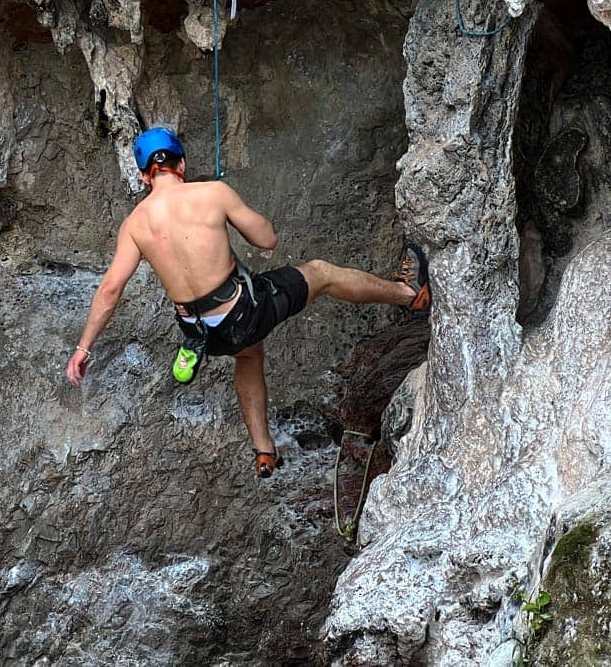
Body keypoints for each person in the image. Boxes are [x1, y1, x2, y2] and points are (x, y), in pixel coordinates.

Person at [65, 127, 431, 478]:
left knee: (248, 353)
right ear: (181, 165)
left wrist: (83, 348)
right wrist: (234, 209)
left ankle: (263, 450)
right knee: (320, 273)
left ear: (145, 176)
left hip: (204, 335)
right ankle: (409, 294)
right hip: (243, 313)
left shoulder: (134, 224)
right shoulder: (212, 193)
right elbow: (267, 239)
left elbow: (110, 290)